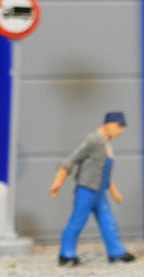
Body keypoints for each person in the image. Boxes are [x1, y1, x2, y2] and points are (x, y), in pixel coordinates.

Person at [49, 111, 135, 266]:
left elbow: (104, 172)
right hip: (87, 190)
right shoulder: (93, 140)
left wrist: (114, 192)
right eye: (118, 126)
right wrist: (58, 181)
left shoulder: (107, 144)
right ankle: (66, 254)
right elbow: (72, 159)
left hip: (99, 192)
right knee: (77, 220)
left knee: (107, 221)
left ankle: (116, 252)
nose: (120, 131)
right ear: (108, 124)